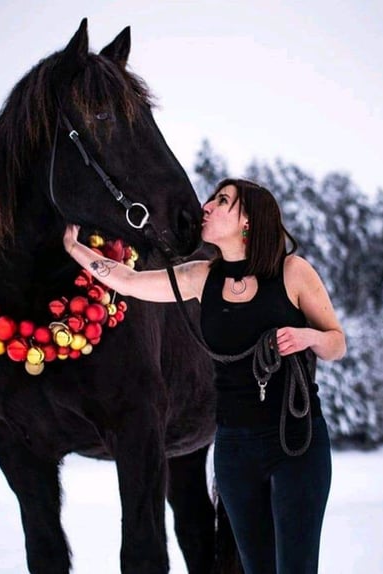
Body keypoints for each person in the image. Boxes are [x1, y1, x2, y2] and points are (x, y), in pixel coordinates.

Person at [63, 178, 346, 574]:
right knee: (256, 567)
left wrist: (308, 336)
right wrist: (75, 248)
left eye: (222, 201)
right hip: (234, 448)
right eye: (212, 198)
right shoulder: (200, 277)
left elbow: (337, 343)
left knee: (297, 567)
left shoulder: (293, 272)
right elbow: (127, 281)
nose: (207, 206)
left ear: (249, 220)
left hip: (296, 442)